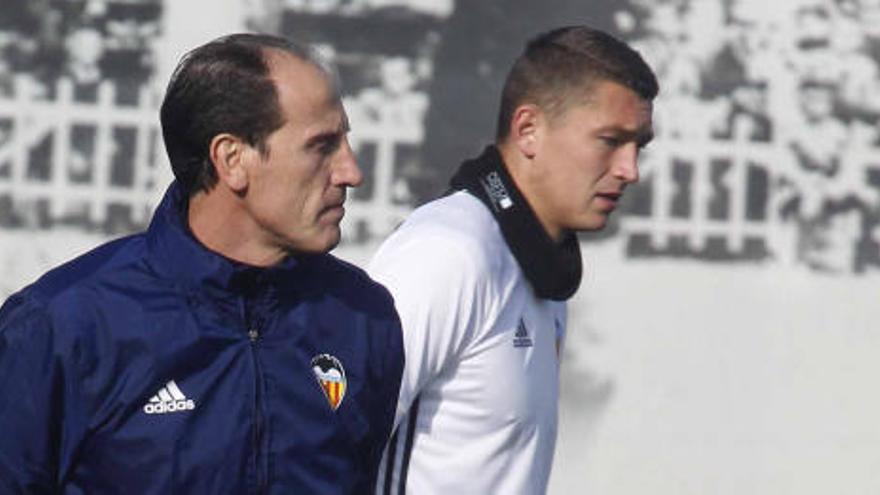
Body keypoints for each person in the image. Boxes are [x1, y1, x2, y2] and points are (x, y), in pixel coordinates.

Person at [0, 33, 404, 494]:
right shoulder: (64, 325)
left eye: (345, 142)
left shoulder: (362, 316)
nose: (351, 172)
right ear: (232, 159)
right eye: (322, 146)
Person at [370, 26, 658, 494]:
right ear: (528, 130)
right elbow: (318, 442)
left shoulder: (544, 267)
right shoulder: (447, 252)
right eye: (610, 140)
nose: (630, 170)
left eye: (638, 146)